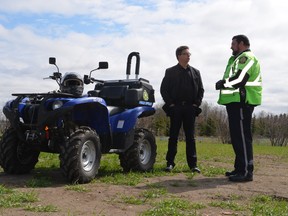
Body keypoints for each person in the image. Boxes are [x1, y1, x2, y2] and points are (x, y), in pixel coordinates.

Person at [215, 35, 262, 182]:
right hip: (235, 102)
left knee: (242, 137)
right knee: (237, 137)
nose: (231, 47)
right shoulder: (237, 58)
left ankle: (247, 172)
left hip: (242, 102)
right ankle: (239, 168)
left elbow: (240, 79)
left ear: (241, 44)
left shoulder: (246, 57)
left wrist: (222, 83)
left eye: (233, 44)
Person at [160, 45, 204, 173]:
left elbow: (201, 90)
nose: (189, 56)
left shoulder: (196, 72)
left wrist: (196, 104)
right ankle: (170, 163)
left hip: (190, 108)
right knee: (173, 136)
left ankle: (193, 165)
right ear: (179, 56)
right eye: (186, 54)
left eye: (189, 54)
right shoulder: (170, 71)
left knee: (190, 137)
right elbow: (164, 89)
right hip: (176, 108)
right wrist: (171, 105)